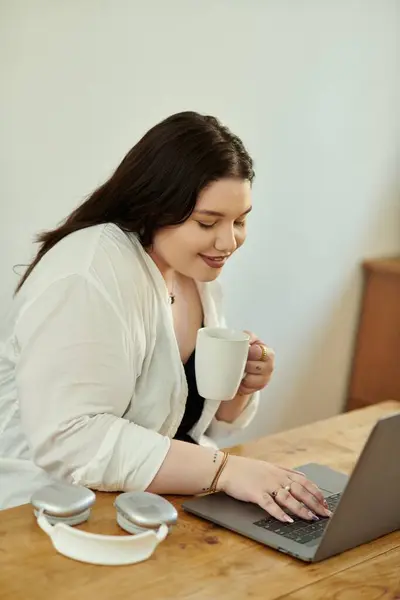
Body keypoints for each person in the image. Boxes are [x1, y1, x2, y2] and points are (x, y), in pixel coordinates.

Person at [0, 111, 331, 522]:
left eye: (241, 220)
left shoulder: (196, 274)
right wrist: (225, 472)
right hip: (41, 514)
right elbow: (71, 439)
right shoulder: (88, 275)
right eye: (208, 222)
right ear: (155, 206)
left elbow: (190, 419)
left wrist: (241, 386)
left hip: (143, 504)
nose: (229, 241)